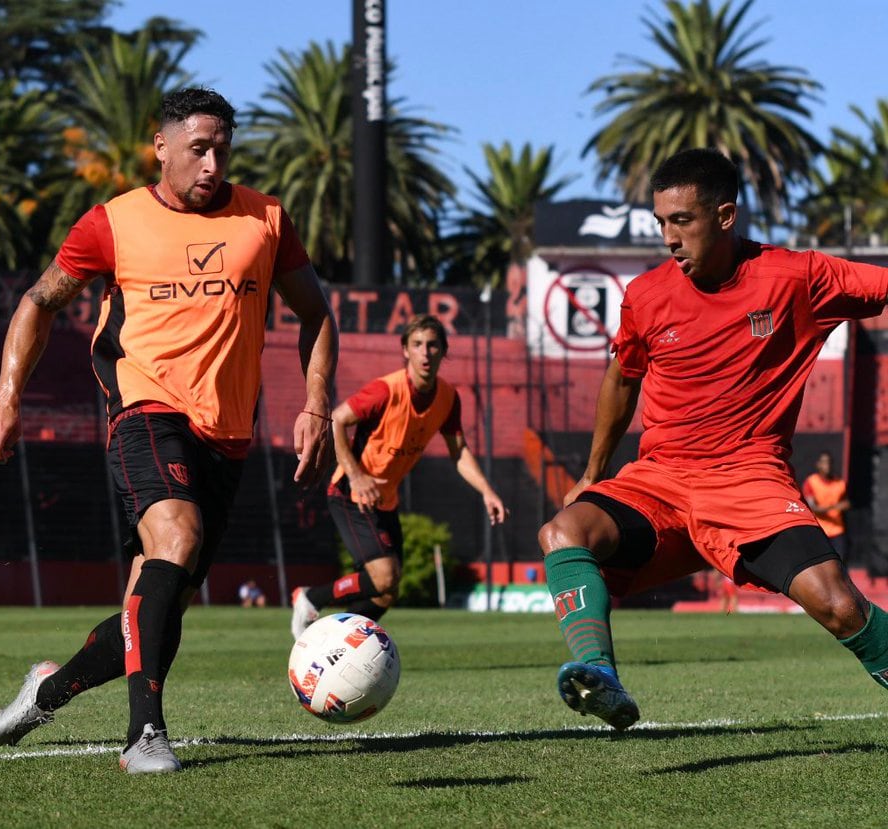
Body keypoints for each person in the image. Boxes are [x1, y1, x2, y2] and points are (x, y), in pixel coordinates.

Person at [0, 87, 337, 773]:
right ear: (161, 148)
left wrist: (316, 402)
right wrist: (5, 399)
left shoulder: (266, 219)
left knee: (158, 610)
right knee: (178, 535)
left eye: (222, 151)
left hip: (227, 434)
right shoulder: (113, 222)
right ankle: (145, 738)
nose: (211, 165)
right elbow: (38, 302)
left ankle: (46, 690)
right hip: (142, 407)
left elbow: (317, 314)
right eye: (198, 149)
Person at [537, 147, 888, 731]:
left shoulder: (797, 276)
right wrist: (593, 472)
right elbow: (623, 378)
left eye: (682, 221)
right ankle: (598, 674)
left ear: (725, 216)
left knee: (840, 604)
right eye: (660, 224)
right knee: (563, 531)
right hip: (660, 481)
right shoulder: (646, 295)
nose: (668, 239)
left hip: (749, 480)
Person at [290, 314, 508, 638]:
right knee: (383, 576)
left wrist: (487, 492)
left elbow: (459, 451)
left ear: (443, 351)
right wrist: (357, 475)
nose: (425, 352)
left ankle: (336, 639)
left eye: (433, 345)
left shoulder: (448, 398)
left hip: (385, 500)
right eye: (417, 344)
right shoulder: (385, 390)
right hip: (350, 492)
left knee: (386, 592)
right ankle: (310, 598)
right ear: (405, 349)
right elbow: (336, 420)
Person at [802, 450, 850, 561]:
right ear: (818, 464)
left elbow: (847, 503)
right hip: (819, 531)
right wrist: (834, 507)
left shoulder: (840, 483)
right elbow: (813, 508)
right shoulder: (811, 482)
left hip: (837, 531)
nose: (827, 465)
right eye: (824, 462)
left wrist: (842, 506)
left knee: (840, 564)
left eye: (829, 462)